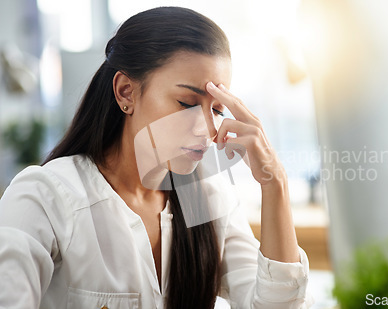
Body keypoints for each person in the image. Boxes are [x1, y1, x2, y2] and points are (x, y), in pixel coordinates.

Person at [0, 6, 313, 309]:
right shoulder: (45, 197)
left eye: (217, 110)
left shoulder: (210, 201)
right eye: (186, 102)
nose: (207, 128)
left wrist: (275, 182)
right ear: (126, 92)